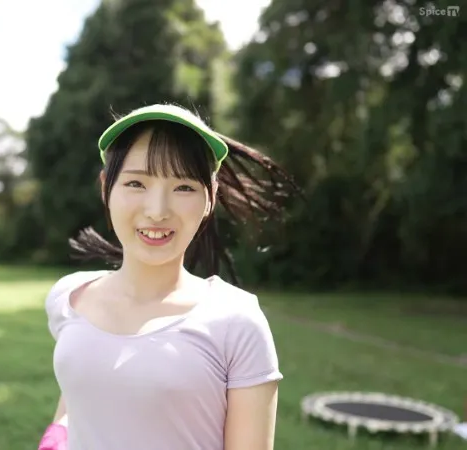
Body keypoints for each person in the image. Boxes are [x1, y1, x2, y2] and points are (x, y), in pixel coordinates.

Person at [37, 103, 301, 450]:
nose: (157, 211)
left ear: (210, 197)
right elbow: (82, 393)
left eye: (184, 187)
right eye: (136, 183)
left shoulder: (237, 322)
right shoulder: (70, 297)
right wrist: (58, 433)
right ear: (106, 187)